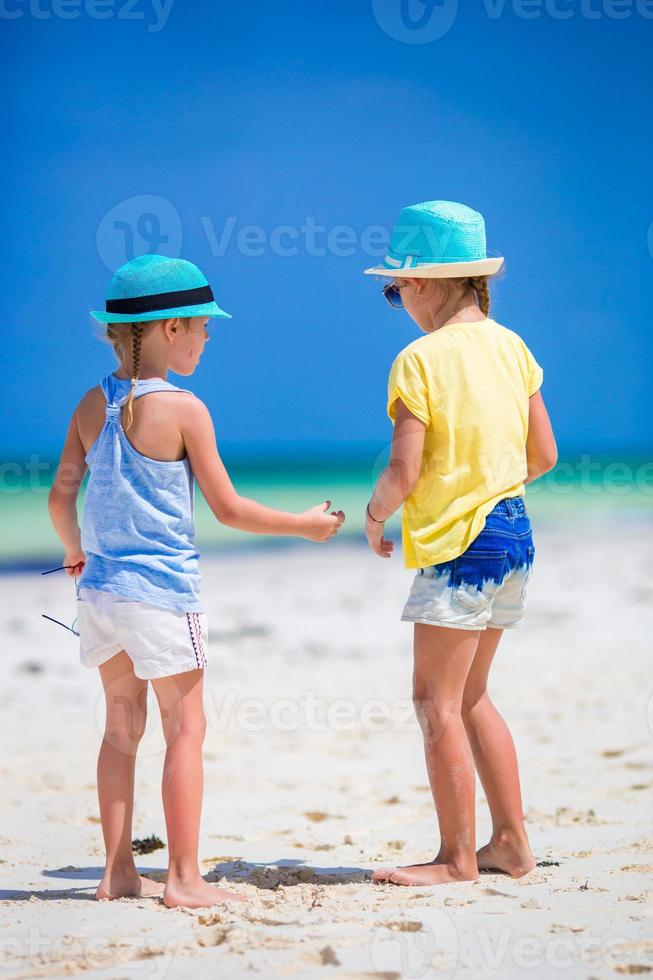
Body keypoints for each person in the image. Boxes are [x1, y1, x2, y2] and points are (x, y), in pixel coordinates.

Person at [47, 254, 345, 908]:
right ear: (171, 327)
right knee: (185, 730)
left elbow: (58, 500)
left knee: (120, 730)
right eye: (204, 327)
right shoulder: (184, 409)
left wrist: (75, 550)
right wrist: (302, 524)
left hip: (99, 594)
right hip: (161, 594)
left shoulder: (90, 404)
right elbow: (229, 509)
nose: (208, 339)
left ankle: (119, 872)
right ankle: (183, 877)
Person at [362, 201, 557, 886]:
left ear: (421, 283)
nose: (397, 301)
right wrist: (489, 484)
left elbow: (403, 470)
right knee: (472, 694)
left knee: (434, 699)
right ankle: (509, 844)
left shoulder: (418, 359)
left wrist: (374, 515)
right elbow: (544, 453)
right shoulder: (514, 348)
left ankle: (454, 859)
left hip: (461, 550)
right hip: (513, 537)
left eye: (395, 289)